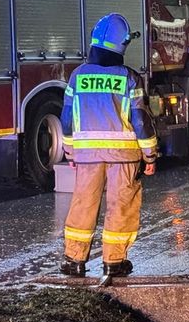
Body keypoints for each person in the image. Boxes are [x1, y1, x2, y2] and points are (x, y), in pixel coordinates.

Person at [59, 14, 157, 277]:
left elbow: (67, 119)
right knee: (121, 205)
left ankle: (74, 259)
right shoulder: (129, 78)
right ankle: (114, 262)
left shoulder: (77, 76)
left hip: (87, 156)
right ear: (122, 45)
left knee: (83, 203)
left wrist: (69, 151)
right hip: (124, 158)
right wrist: (150, 155)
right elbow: (140, 120)